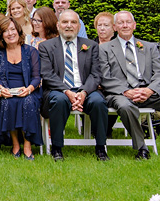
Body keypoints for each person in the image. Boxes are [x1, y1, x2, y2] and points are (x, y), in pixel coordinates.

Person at [99, 11, 160, 162]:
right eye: (121, 23)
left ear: (134, 25)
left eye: (128, 22)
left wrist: (150, 90)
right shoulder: (105, 49)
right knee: (125, 106)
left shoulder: (148, 47)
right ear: (115, 27)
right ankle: (142, 148)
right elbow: (104, 77)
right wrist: (127, 91)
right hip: (121, 94)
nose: (125, 25)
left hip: (149, 91)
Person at [39, 10, 109, 162]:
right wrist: (66, 91)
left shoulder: (91, 46)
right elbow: (47, 74)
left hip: (86, 89)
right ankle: (57, 148)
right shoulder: (46, 46)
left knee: (98, 102)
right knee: (59, 101)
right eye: (65, 22)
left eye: (73, 22)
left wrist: (83, 92)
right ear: (58, 26)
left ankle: (101, 147)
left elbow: (96, 74)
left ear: (78, 26)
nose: (69, 26)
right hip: (57, 90)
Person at [0, 16, 42, 160]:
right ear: (1, 35)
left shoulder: (31, 51)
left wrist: (29, 88)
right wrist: (0, 87)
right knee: (7, 102)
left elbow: (37, 76)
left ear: (18, 31)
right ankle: (15, 143)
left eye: (12, 29)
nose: (10, 33)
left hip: (28, 90)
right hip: (6, 91)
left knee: (28, 102)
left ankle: (27, 143)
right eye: (5, 31)